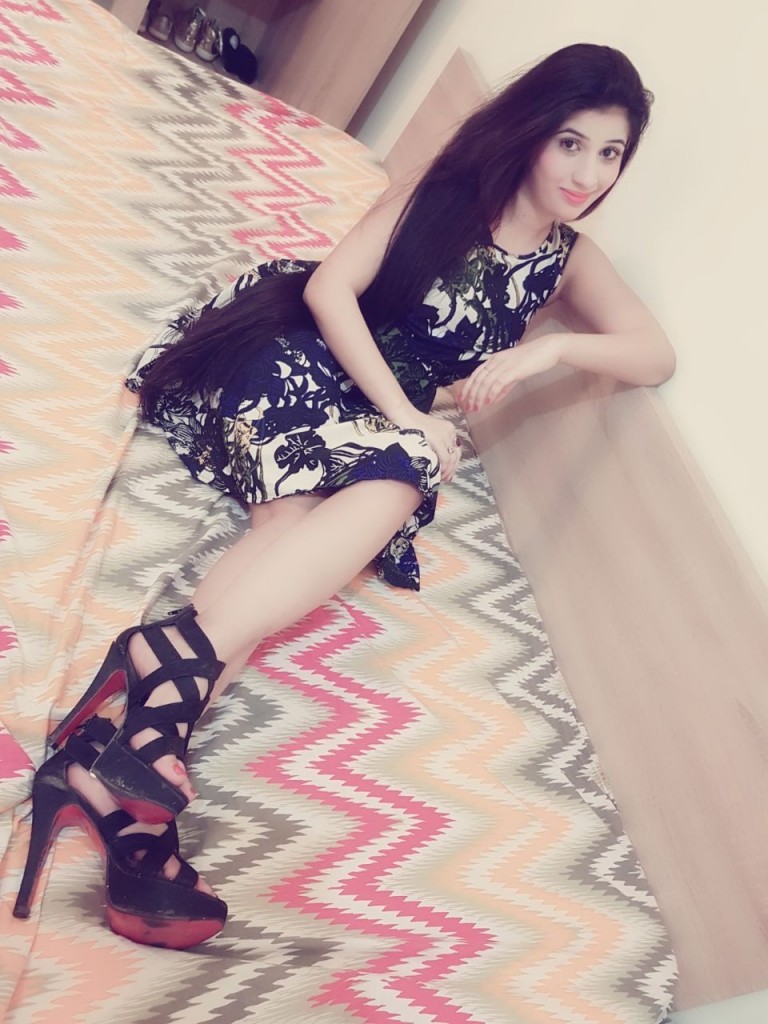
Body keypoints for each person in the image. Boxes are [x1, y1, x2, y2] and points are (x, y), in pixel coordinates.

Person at [13, 42, 675, 947]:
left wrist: (554, 347)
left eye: (610, 153)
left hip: (373, 417)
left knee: (292, 540)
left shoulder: (566, 262)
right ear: (532, 131)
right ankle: (136, 768)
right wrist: (409, 419)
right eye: (572, 142)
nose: (587, 173)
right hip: (301, 353)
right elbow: (331, 288)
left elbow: (653, 354)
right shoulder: (448, 192)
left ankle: (127, 764)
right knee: (405, 473)